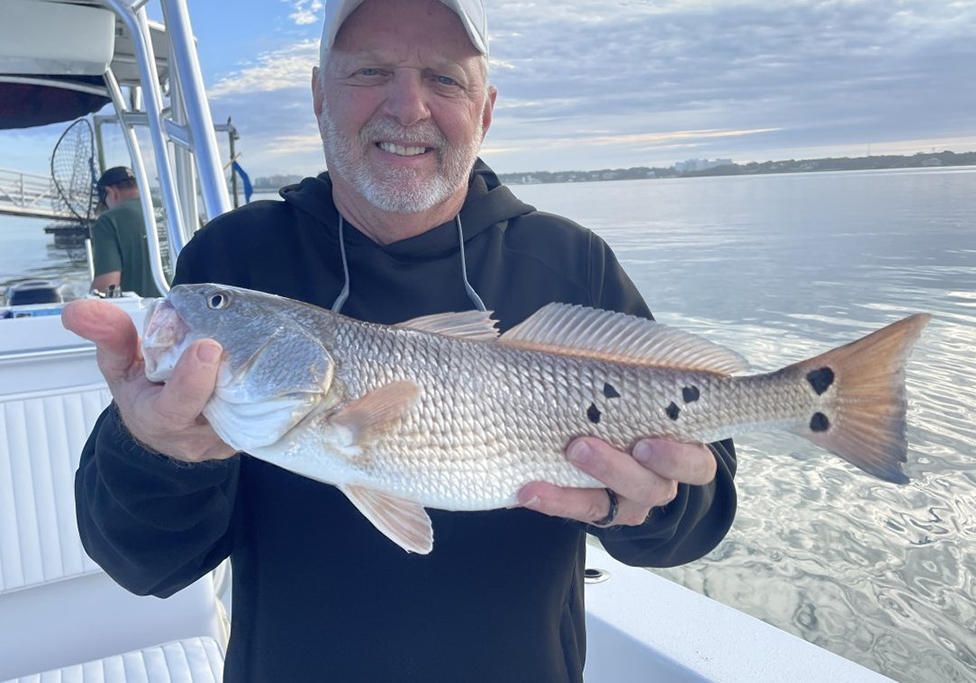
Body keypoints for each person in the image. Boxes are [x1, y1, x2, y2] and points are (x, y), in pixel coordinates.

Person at [63, 1, 738, 681]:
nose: (408, 105)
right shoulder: (234, 262)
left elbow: (701, 509)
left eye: (444, 78)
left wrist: (654, 503)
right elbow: (141, 560)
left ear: (486, 109)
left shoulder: (571, 263)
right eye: (371, 70)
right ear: (319, 94)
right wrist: (156, 448)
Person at [89, 165, 161, 298]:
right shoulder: (176, 209)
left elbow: (107, 286)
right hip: (190, 310)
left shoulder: (109, 221)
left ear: (110, 192)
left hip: (145, 314)